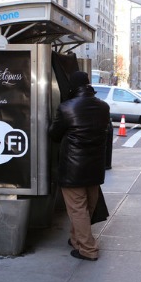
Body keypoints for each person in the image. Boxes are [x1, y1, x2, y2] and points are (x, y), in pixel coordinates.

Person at [48, 71, 110, 261]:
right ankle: (76, 238)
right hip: (95, 166)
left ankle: (88, 249)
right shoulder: (103, 106)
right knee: (87, 206)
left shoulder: (67, 107)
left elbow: (54, 134)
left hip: (73, 167)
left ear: (72, 87)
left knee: (77, 209)